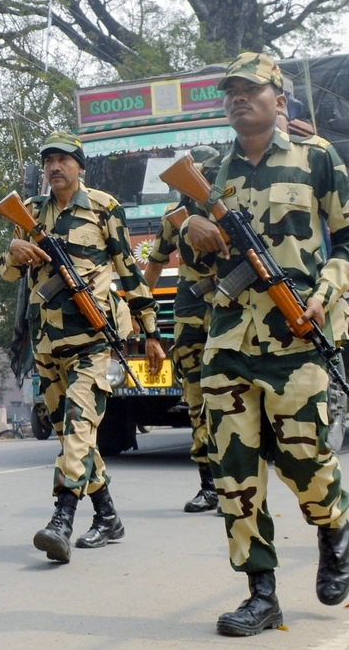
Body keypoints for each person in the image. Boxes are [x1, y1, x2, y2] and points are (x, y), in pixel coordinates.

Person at [183, 52, 349, 637]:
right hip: (229, 338)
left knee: (304, 461)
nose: (239, 98)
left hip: (298, 337)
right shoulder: (210, 172)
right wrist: (191, 228)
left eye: (251, 90)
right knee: (234, 472)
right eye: (231, 91)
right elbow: (185, 252)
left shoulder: (318, 160)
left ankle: (332, 523)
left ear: (279, 100)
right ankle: (261, 594)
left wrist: (327, 293)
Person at [0, 132, 163, 562]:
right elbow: (9, 275)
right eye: (49, 160)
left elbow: (129, 270)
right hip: (47, 343)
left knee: (77, 430)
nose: (56, 166)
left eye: (64, 159)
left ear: (80, 166)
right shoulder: (30, 212)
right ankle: (108, 516)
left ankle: (62, 520)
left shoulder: (105, 208)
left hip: (92, 341)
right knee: (73, 438)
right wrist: (14, 251)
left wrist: (151, 331)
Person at [141, 145, 222, 514]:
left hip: (232, 319)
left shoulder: (230, 212)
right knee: (196, 402)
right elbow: (153, 269)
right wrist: (146, 321)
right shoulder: (176, 219)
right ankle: (209, 486)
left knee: (232, 402)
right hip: (191, 322)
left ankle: (235, 485)